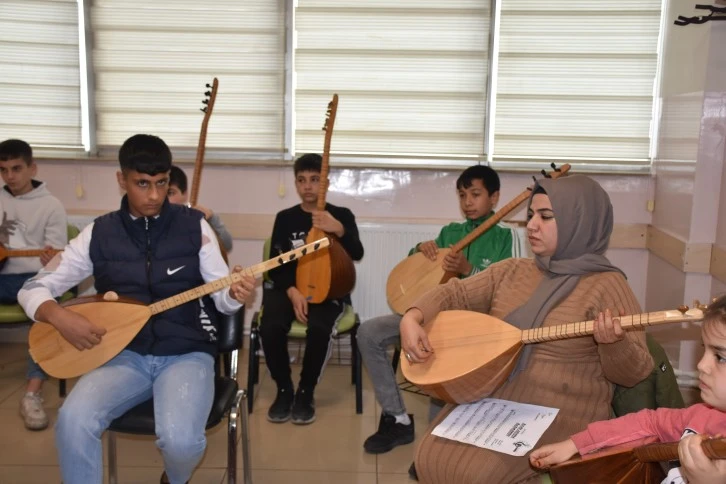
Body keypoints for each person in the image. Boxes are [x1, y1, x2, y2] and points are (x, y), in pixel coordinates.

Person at [17, 134, 256, 484]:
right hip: (122, 355)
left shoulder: (194, 227)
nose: (155, 195)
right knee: (73, 420)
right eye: (143, 184)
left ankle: (174, 478)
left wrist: (234, 294)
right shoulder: (99, 233)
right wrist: (59, 316)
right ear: (122, 179)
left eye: (162, 183)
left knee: (181, 443)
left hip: (186, 352)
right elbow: (32, 288)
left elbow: (221, 296)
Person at [400, 175, 653, 483]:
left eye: (545, 216)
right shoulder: (513, 270)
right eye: (531, 215)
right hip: (496, 394)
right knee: (429, 457)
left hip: (563, 408)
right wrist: (413, 317)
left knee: (475, 473)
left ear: (578, 222)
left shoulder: (607, 285)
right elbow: (456, 293)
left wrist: (614, 344)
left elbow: (635, 373)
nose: (532, 225)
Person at [358, 164, 520, 454]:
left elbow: (507, 292)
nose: (467, 202)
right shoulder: (450, 232)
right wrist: (421, 249)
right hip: (429, 318)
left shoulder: (505, 238)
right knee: (369, 332)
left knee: (438, 384)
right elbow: (419, 272)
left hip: (470, 329)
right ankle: (397, 419)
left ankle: (435, 448)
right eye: (462, 195)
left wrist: (468, 270)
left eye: (475, 194)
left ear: (494, 197)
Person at [530, 294, 726, 483]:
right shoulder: (702, 416)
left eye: (720, 357)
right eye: (705, 349)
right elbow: (648, 422)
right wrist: (575, 444)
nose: (701, 365)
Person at [260, 153, 364, 425]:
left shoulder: (342, 215)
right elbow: (276, 265)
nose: (307, 186)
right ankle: (284, 389)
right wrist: (292, 291)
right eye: (301, 180)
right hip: (289, 288)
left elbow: (357, 252)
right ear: (296, 183)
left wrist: (338, 229)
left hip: (328, 291)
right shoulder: (285, 218)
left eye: (315, 179)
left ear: (326, 183)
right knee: (270, 325)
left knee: (319, 327)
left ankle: (305, 392)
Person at [0, 138, 67, 431]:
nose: (10, 176)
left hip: (33, 279)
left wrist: (50, 258)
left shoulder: (51, 205)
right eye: (3, 170)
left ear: (32, 168)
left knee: (45, 313)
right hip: (2, 277)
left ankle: (32, 393)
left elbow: (60, 259)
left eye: (16, 168)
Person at [166, 164, 233, 253]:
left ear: (185, 194)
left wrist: (212, 219)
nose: (164, 199)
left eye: (170, 193)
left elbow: (227, 245)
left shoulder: (195, 218)